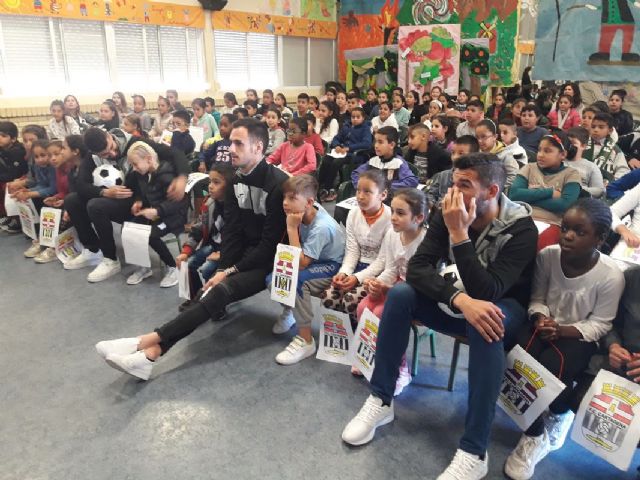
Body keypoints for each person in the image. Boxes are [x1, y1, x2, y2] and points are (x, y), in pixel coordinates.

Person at [341, 152, 538, 480]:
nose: (453, 192)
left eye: (465, 185)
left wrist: (459, 235)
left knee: (488, 320)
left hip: (503, 306)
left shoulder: (521, 229)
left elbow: (489, 291)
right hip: (458, 299)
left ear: (491, 192)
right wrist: (459, 300)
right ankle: (381, 398)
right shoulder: (448, 210)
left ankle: (474, 450)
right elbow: (418, 268)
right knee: (402, 293)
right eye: (453, 183)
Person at [94, 119, 288, 380]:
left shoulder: (277, 185)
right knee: (211, 288)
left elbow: (269, 246)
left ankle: (141, 343)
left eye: (238, 143)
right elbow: (232, 232)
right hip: (243, 254)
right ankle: (150, 355)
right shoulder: (238, 180)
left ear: (259, 147)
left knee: (219, 289)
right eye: (230, 141)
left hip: (270, 259)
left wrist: (229, 270)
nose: (231, 148)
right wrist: (222, 268)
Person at [504, 199, 624, 480]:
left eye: (579, 232)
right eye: (566, 228)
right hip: (545, 325)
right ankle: (534, 433)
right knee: (518, 358)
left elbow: (600, 324)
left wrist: (562, 330)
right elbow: (537, 298)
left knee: (550, 368)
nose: (568, 235)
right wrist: (540, 318)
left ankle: (558, 414)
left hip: (579, 337)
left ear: (600, 238)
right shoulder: (548, 256)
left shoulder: (611, 275)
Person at [62, 127, 188, 282]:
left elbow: (176, 154)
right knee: (72, 200)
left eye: (111, 149)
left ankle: (111, 259)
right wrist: (104, 192)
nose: (112, 155)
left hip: (147, 204)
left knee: (96, 206)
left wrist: (182, 178)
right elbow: (81, 184)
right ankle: (93, 250)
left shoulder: (138, 146)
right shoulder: (93, 156)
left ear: (109, 136)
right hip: (128, 199)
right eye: (105, 155)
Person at [352, 188, 427, 392]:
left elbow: (425, 280)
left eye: (400, 213)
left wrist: (389, 287)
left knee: (382, 313)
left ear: (419, 217)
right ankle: (370, 354)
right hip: (396, 284)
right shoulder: (393, 235)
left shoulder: (426, 242)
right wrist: (376, 284)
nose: (393, 218)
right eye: (393, 211)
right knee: (363, 308)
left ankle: (401, 369)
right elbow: (391, 268)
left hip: (417, 291)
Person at [269, 174, 346, 347]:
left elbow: (301, 263)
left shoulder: (321, 227)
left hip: (332, 265)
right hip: (311, 259)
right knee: (272, 279)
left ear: (309, 202)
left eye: (292, 198)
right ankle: (290, 311)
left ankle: (306, 340)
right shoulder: (304, 210)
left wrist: (291, 228)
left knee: (295, 281)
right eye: (284, 197)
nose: (285, 203)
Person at [123, 142, 188, 288]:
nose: (134, 168)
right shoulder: (144, 175)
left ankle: (173, 268)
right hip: (158, 214)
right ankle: (143, 267)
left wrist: (157, 211)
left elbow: (180, 203)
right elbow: (148, 195)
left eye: (135, 164)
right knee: (129, 229)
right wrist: (139, 201)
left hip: (174, 217)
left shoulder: (167, 175)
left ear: (148, 159)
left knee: (150, 235)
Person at [509, 132, 582, 250]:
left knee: (536, 246)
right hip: (520, 218)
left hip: (550, 222)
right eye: (539, 150)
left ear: (562, 155)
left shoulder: (571, 174)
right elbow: (513, 195)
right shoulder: (529, 168)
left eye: (547, 151)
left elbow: (565, 205)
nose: (540, 155)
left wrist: (528, 197)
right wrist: (549, 193)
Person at [176, 162, 234, 307]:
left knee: (208, 271)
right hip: (213, 246)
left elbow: (242, 239)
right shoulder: (209, 203)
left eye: (216, 182)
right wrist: (186, 251)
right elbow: (199, 228)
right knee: (187, 264)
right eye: (210, 181)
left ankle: (217, 305)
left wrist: (223, 254)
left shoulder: (237, 208)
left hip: (230, 251)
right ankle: (195, 299)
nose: (210, 186)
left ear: (229, 185)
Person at [12, 139, 56, 257]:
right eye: (36, 156)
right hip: (46, 194)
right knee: (36, 199)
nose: (40, 159)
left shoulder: (53, 167)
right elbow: (41, 184)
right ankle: (44, 238)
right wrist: (28, 191)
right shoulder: (37, 166)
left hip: (56, 195)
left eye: (43, 155)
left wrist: (31, 193)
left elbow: (53, 189)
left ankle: (50, 241)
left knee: (42, 200)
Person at [318, 107, 372, 202]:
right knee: (326, 159)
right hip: (341, 152)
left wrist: (349, 148)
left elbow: (367, 144)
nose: (355, 119)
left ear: (363, 118)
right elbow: (336, 138)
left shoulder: (365, 128)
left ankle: (330, 188)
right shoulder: (346, 126)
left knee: (336, 162)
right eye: (353, 117)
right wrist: (337, 146)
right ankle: (320, 186)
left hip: (355, 155)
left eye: (357, 117)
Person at [351, 127, 418, 192]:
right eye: (375, 141)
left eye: (380, 142)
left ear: (391, 145)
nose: (376, 146)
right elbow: (356, 173)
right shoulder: (373, 161)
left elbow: (412, 182)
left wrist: (384, 187)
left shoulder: (398, 163)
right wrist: (364, 186)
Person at [426, 135, 480, 213]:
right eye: (453, 153)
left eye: (461, 154)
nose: (455, 157)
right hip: (439, 216)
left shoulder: (476, 181)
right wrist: (431, 204)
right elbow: (431, 193)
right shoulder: (442, 175)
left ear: (474, 156)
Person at [583, 112, 629, 181]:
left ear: (610, 131)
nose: (596, 130)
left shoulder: (615, 150)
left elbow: (623, 170)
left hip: (604, 184)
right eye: (593, 127)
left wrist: (613, 183)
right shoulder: (582, 143)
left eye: (601, 127)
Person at [0, 121, 28, 233]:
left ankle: (16, 219)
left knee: (8, 186)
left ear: (13, 138)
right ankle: (6, 215)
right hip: (7, 177)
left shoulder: (17, 151)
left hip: (20, 178)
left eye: (3, 136)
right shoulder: (2, 150)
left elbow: (15, 174)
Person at [475, 119, 520, 189]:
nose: (480, 141)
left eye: (484, 137)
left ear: (494, 137)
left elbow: (514, 176)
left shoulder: (505, 155)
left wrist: (496, 187)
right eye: (477, 137)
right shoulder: (475, 154)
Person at [565, 127, 605, 198]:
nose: (569, 146)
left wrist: (576, 189)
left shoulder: (591, 167)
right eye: (568, 142)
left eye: (573, 143)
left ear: (583, 146)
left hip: (579, 200)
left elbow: (599, 190)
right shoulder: (558, 161)